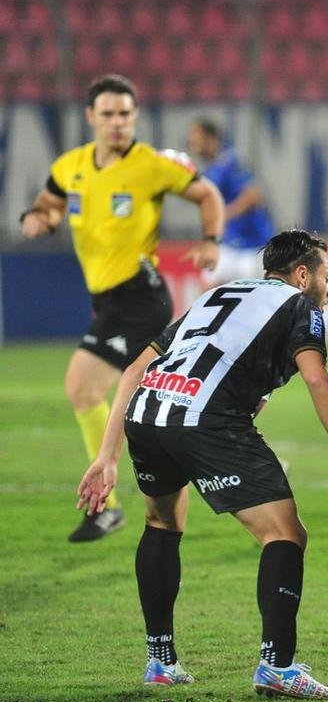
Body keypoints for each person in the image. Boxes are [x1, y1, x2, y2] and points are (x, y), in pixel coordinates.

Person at [77, 228, 328, 700]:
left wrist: (106, 456)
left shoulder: (219, 293)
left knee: (162, 522)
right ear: (301, 275)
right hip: (202, 420)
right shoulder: (300, 307)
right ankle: (278, 666)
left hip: (149, 412)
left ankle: (160, 661)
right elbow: (317, 379)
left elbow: (136, 370)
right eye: (327, 276)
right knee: (285, 532)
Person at [19, 74, 225, 542]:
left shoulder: (150, 165)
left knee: (82, 385)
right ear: (91, 117)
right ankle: (180, 469)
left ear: (135, 117)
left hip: (139, 294)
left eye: (126, 114)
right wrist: (38, 217)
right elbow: (50, 202)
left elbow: (206, 193)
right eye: (109, 114)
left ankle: (107, 503)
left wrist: (210, 240)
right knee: (147, 402)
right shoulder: (71, 165)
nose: (118, 123)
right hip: (108, 298)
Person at [186, 117, 275, 286]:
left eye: (195, 136)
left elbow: (254, 195)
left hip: (251, 246)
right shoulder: (213, 168)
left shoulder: (230, 162)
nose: (191, 142)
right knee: (207, 289)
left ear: (210, 138)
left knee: (254, 301)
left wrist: (223, 215)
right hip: (229, 244)